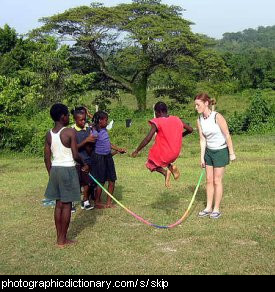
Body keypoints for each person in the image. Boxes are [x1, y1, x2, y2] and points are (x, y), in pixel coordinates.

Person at [44, 103, 89, 247]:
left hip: (55, 170)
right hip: (67, 170)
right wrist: (84, 164)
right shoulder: (69, 132)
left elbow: (46, 157)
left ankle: (59, 238)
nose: (69, 117)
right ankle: (63, 240)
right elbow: (75, 155)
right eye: (67, 115)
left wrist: (51, 172)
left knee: (59, 205)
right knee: (67, 205)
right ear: (63, 116)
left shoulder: (49, 133)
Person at [131, 101, 193, 188]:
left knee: (150, 163)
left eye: (155, 112)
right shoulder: (176, 119)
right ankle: (171, 167)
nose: (155, 114)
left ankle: (165, 172)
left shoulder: (157, 121)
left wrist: (137, 150)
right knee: (161, 158)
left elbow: (147, 139)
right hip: (175, 153)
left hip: (165, 154)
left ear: (158, 112)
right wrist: (180, 135)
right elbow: (190, 129)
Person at [195, 93, 236, 219]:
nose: (196, 107)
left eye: (198, 104)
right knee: (208, 180)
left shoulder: (217, 117)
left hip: (220, 151)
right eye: (195, 105)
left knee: (217, 180)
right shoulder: (199, 120)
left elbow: (227, 134)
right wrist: (202, 157)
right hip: (209, 152)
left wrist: (231, 153)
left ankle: (216, 209)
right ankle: (208, 207)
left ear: (206, 103)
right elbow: (202, 140)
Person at [91, 111, 126, 208]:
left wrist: (118, 149)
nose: (107, 122)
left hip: (108, 157)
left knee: (112, 180)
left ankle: (109, 202)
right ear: (100, 121)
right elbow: (90, 145)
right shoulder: (94, 132)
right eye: (106, 120)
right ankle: (97, 202)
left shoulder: (104, 130)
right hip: (99, 158)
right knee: (101, 181)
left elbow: (108, 144)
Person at [71, 107, 97, 211]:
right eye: (81, 120)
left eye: (84, 119)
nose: (83, 122)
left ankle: (85, 201)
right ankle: (72, 203)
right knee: (75, 182)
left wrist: (91, 142)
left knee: (87, 182)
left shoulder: (88, 129)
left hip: (87, 160)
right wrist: (86, 141)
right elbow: (74, 148)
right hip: (76, 161)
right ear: (75, 120)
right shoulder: (71, 131)